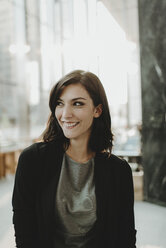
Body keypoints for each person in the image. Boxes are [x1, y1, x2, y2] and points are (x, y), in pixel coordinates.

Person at [12, 70, 137, 248]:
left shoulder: (118, 171)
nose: (65, 114)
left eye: (77, 104)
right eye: (60, 104)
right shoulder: (33, 160)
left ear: (97, 110)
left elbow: (125, 237)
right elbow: (24, 232)